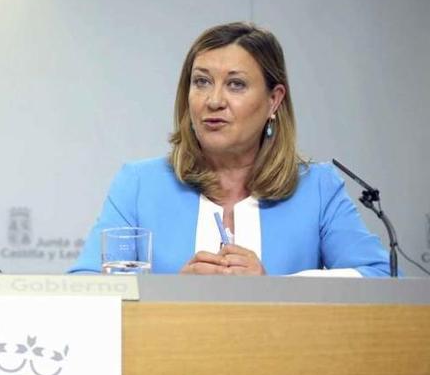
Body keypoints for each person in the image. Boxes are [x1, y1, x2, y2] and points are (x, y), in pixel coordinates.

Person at [70, 22, 389, 277]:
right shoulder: (139, 184)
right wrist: (172, 297)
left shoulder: (317, 188)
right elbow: (85, 287)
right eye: (201, 82)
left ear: (273, 100)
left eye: (235, 84)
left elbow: (379, 277)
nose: (213, 100)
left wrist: (273, 291)